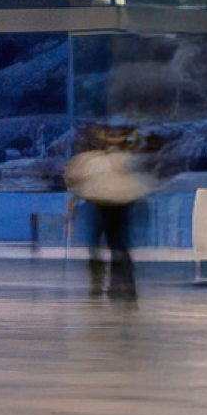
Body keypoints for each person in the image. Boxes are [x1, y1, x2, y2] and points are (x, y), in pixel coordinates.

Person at [65, 127, 154, 301]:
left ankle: (113, 285)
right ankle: (114, 285)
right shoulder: (106, 160)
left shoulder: (106, 160)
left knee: (113, 246)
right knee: (112, 246)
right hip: (107, 203)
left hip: (111, 204)